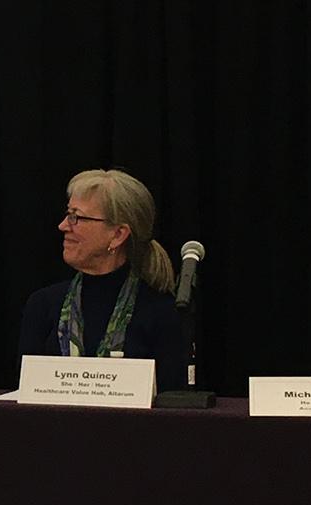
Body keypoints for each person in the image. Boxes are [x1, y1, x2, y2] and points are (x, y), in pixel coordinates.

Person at [18, 168, 188, 391]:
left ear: (118, 234)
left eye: (76, 217)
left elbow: (173, 409)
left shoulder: (162, 312)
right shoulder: (43, 305)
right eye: (68, 214)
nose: (63, 226)